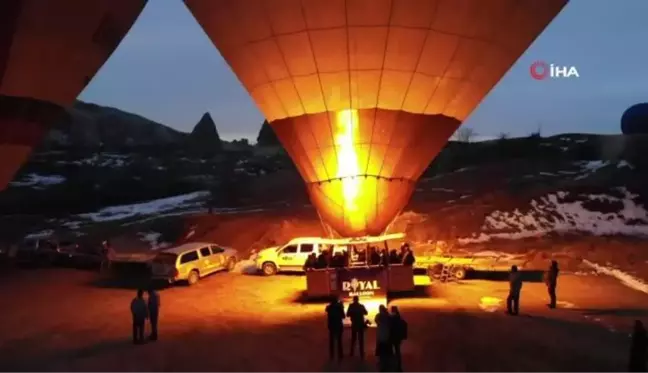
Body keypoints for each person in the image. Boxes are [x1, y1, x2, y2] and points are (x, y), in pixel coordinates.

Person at [374, 305, 393, 373]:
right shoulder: (388, 316)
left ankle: (382, 366)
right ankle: (387, 364)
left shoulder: (378, 316)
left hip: (380, 335)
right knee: (387, 350)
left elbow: (376, 321)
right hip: (387, 335)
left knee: (381, 351)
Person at [390, 306, 408, 373]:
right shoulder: (399, 317)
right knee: (397, 350)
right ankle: (398, 365)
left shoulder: (392, 317)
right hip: (398, 337)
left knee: (392, 350)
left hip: (393, 336)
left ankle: (393, 365)